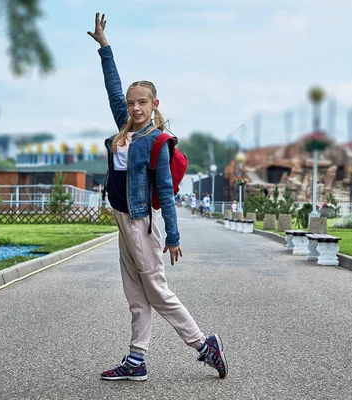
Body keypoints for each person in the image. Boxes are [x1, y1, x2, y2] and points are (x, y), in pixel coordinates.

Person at [88, 13, 227, 381]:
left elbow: (166, 192)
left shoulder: (157, 141)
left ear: (154, 104)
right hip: (122, 220)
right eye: (132, 103)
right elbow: (113, 88)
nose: (134, 108)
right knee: (135, 294)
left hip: (140, 225)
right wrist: (105, 48)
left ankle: (204, 345)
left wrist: (175, 236)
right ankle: (137, 360)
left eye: (142, 103)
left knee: (158, 293)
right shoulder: (125, 127)